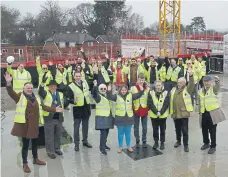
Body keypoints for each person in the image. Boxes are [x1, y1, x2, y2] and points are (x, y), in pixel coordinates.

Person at [5, 72, 46, 173]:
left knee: (35, 143)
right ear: (23, 88)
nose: (30, 89)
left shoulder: (35, 97)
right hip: (25, 125)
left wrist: (54, 109)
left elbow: (42, 107)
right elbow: (11, 93)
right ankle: (25, 163)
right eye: (27, 88)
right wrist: (9, 83)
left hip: (35, 124)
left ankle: (36, 159)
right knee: (26, 145)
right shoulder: (19, 96)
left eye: (31, 88)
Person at [107, 84, 144, 153]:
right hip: (119, 118)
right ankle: (120, 147)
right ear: (120, 90)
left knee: (128, 133)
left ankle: (129, 146)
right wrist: (109, 90)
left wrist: (141, 90)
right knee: (120, 133)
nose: (123, 91)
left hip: (128, 117)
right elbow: (110, 97)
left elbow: (137, 95)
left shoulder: (130, 95)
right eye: (122, 90)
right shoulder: (116, 96)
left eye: (125, 90)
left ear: (127, 90)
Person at [38, 79, 69, 159]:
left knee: (57, 135)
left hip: (58, 118)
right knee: (49, 136)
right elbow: (40, 91)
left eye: (54, 86)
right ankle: (50, 151)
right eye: (51, 86)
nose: (53, 87)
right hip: (49, 118)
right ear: (48, 87)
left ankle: (57, 149)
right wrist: (41, 85)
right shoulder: (45, 94)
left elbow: (64, 103)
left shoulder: (60, 94)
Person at [170, 69, 194, 152]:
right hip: (176, 113)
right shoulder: (173, 90)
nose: (178, 84)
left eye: (180, 83)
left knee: (185, 130)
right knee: (177, 129)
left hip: (184, 114)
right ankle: (178, 141)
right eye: (178, 82)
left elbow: (191, 84)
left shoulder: (187, 90)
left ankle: (186, 145)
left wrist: (191, 76)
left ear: (184, 83)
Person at [66, 71, 92, 151]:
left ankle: (85, 141)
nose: (78, 77)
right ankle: (76, 144)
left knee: (85, 126)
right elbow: (68, 98)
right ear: (74, 77)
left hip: (86, 107)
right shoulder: (71, 86)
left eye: (79, 76)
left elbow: (88, 92)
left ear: (81, 76)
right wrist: (73, 101)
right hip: (77, 108)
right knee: (76, 127)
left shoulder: (85, 83)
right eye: (76, 76)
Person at [199, 75, 223, 154]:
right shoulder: (201, 90)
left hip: (212, 113)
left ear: (210, 82)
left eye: (207, 81)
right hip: (203, 113)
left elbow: (217, 86)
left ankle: (213, 146)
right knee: (204, 129)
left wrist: (217, 80)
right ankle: (206, 143)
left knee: (212, 130)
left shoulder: (214, 89)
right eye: (205, 81)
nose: (206, 83)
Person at [92, 80, 114, 155]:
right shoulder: (98, 97)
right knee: (103, 134)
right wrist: (95, 86)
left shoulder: (106, 95)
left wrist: (110, 89)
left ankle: (104, 145)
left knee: (106, 132)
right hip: (101, 118)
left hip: (107, 117)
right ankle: (102, 148)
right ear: (99, 90)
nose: (103, 90)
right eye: (101, 89)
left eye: (105, 89)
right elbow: (94, 94)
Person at [148, 80, 170, 150]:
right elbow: (150, 104)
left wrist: (161, 112)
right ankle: (156, 142)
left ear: (162, 85)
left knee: (163, 129)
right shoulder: (151, 93)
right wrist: (156, 112)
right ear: (155, 86)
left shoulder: (166, 93)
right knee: (155, 129)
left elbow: (166, 104)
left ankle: (162, 142)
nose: (158, 87)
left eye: (159, 85)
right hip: (154, 115)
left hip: (163, 115)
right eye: (157, 85)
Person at [130, 73, 150, 148]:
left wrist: (148, 108)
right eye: (140, 80)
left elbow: (149, 99)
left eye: (142, 80)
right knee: (136, 127)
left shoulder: (147, 88)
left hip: (144, 109)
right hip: (136, 109)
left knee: (144, 127)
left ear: (144, 80)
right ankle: (137, 141)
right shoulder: (133, 88)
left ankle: (144, 141)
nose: (141, 81)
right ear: (137, 80)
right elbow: (131, 98)